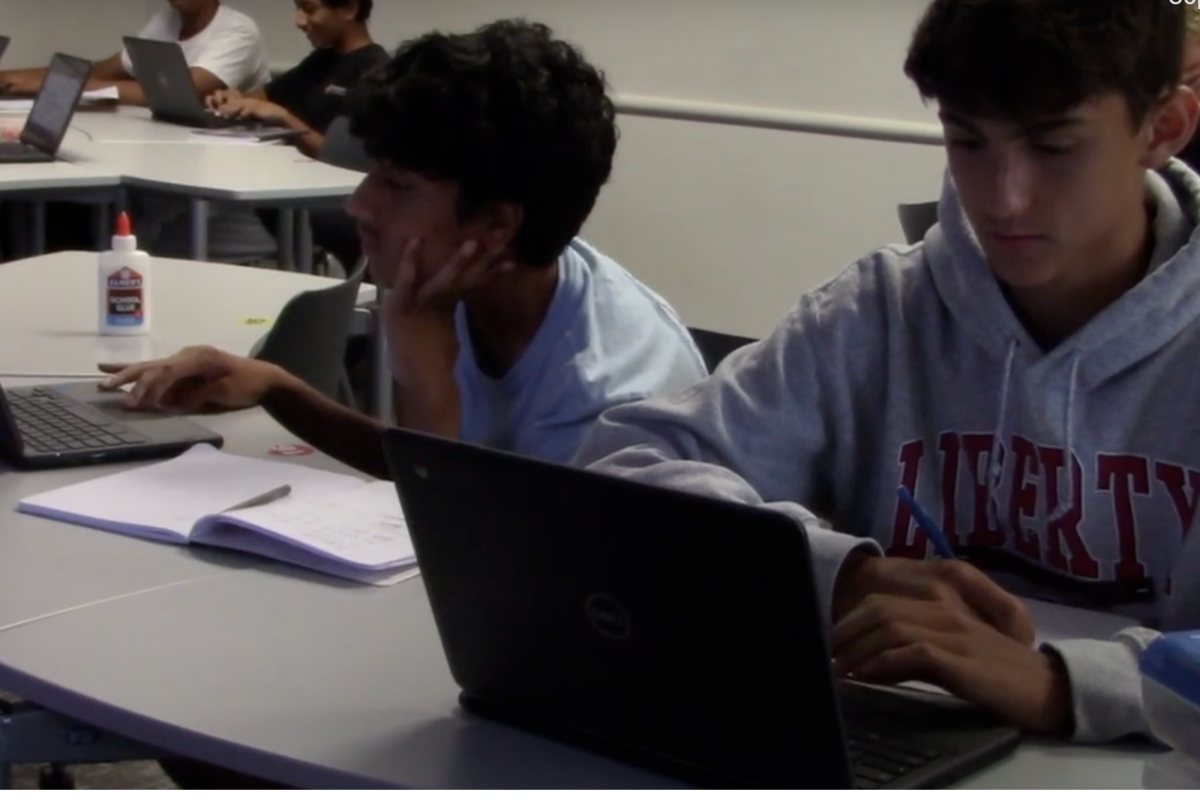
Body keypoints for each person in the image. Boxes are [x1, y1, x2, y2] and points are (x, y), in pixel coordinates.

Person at [576, 0, 1200, 745]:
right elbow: (622, 468)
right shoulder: (881, 310)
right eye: (967, 141)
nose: (1003, 198)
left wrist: (1064, 682)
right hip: (897, 741)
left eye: (1055, 147)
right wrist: (841, 576)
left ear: (1163, 128)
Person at [207, 0, 387, 160]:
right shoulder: (321, 60)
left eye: (309, 9)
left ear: (349, 8)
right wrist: (234, 101)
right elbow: (262, 99)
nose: (299, 21)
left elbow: (351, 160)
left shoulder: (378, 73)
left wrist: (284, 118)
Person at [0, 0, 270, 105]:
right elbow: (99, 71)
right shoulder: (165, 21)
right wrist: (12, 77)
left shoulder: (238, 30)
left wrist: (59, 85)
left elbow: (179, 94)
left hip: (226, 170)